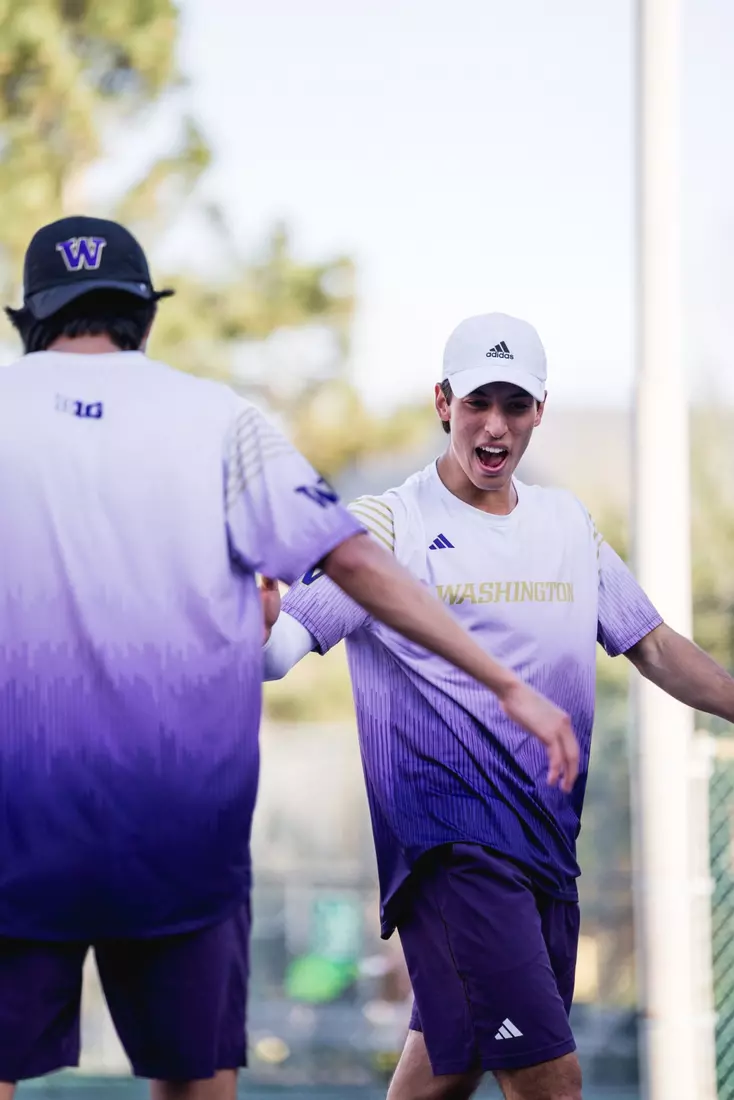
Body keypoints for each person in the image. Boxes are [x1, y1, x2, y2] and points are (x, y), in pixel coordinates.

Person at [0, 223, 578, 1100]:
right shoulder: (219, 420)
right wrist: (507, 684)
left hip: (16, 815)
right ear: (143, 319)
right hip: (180, 825)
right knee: (194, 1080)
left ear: (30, 321)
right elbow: (353, 561)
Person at [261, 312, 734, 1100]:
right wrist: (247, 619)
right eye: (478, 401)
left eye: (515, 404)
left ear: (539, 411)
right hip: (452, 851)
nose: (495, 424)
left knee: (445, 1071)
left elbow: (653, 646)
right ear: (443, 403)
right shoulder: (387, 525)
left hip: (546, 850)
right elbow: (278, 651)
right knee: (550, 1079)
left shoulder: (568, 525)